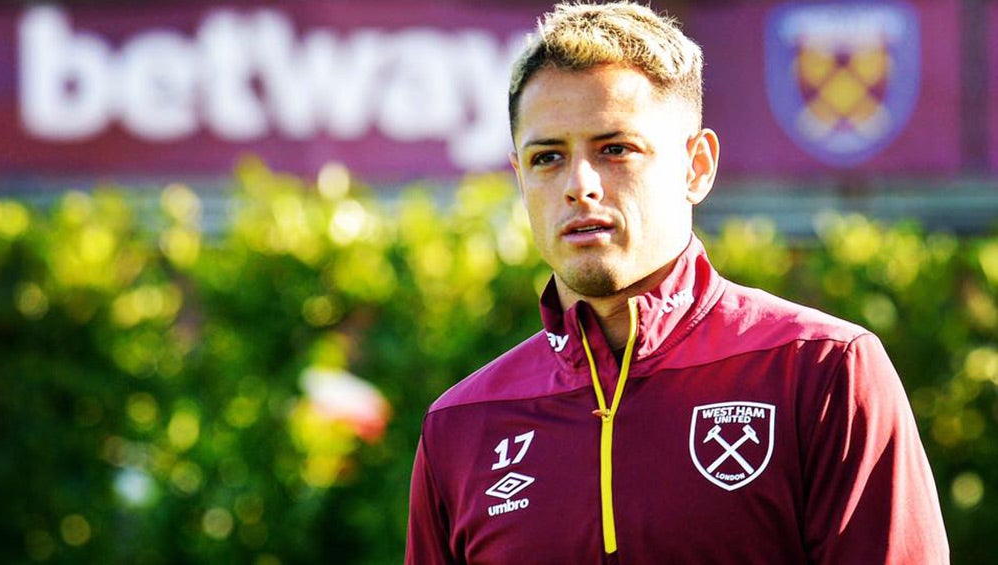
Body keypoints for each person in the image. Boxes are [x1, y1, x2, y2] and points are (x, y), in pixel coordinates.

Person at [405, 2, 950, 563]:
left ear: (697, 167)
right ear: (520, 178)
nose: (580, 184)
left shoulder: (822, 369)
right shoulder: (460, 425)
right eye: (547, 157)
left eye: (615, 149)